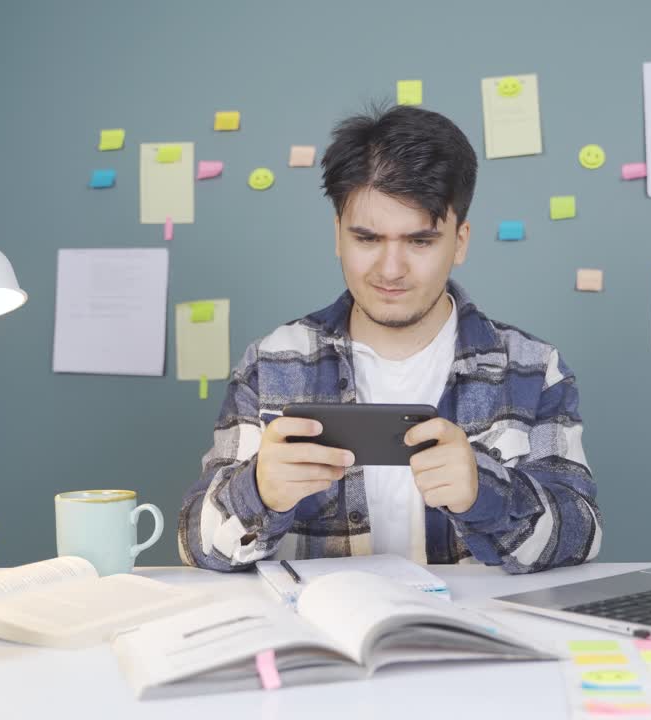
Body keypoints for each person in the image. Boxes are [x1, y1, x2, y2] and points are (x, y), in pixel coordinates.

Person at [179, 105, 601, 573]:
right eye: (367, 239)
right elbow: (194, 547)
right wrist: (258, 490)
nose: (391, 270)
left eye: (419, 242)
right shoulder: (271, 363)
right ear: (337, 235)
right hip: (321, 639)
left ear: (460, 241)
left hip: (476, 639)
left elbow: (581, 534)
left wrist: (486, 493)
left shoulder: (533, 368)